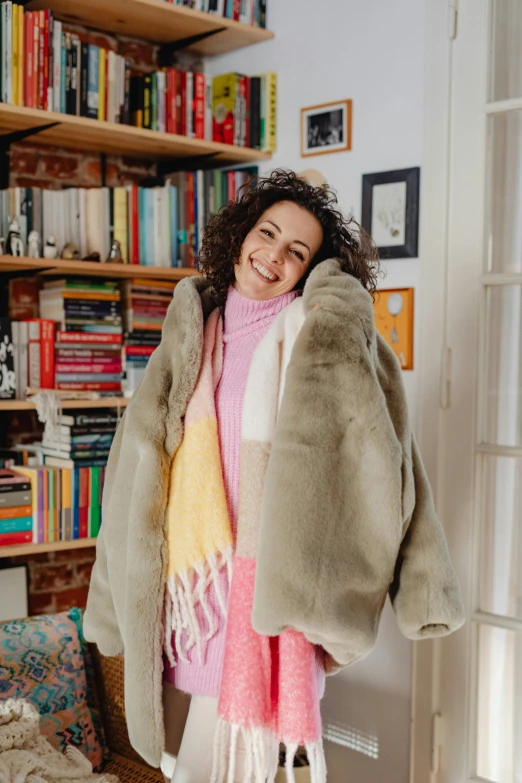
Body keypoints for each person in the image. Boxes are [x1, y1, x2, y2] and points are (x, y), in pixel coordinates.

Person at [83, 170, 465, 783]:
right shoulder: (190, 336)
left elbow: (391, 457)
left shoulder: (320, 339)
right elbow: (132, 471)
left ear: (311, 269)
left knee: (243, 771)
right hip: (189, 610)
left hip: (266, 608)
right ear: (239, 237)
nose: (274, 256)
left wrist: (424, 585)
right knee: (181, 764)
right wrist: (107, 602)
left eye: (297, 251)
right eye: (267, 233)